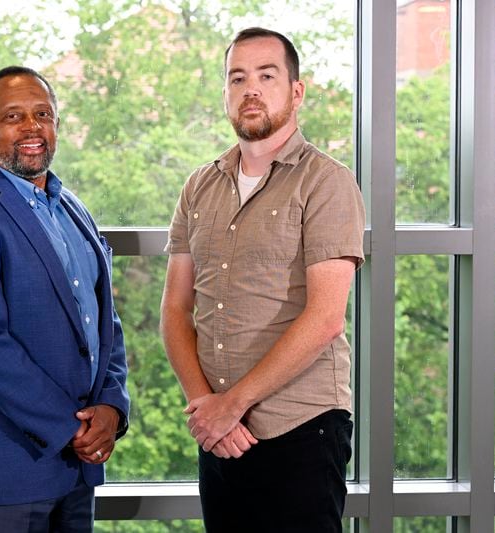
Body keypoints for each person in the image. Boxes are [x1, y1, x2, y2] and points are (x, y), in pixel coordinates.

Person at [160, 27, 365, 532]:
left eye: (266, 75)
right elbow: (174, 309)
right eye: (237, 78)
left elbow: (325, 319)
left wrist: (231, 405)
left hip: (301, 428)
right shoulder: (199, 185)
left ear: (296, 91)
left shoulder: (326, 182)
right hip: (219, 434)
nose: (250, 88)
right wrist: (207, 408)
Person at [0, 65, 129, 533]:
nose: (32, 127)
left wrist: (112, 406)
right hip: (3, 469)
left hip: (76, 471)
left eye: (43, 114)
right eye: (13, 117)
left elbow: (103, 322)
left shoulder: (72, 207)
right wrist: (71, 428)